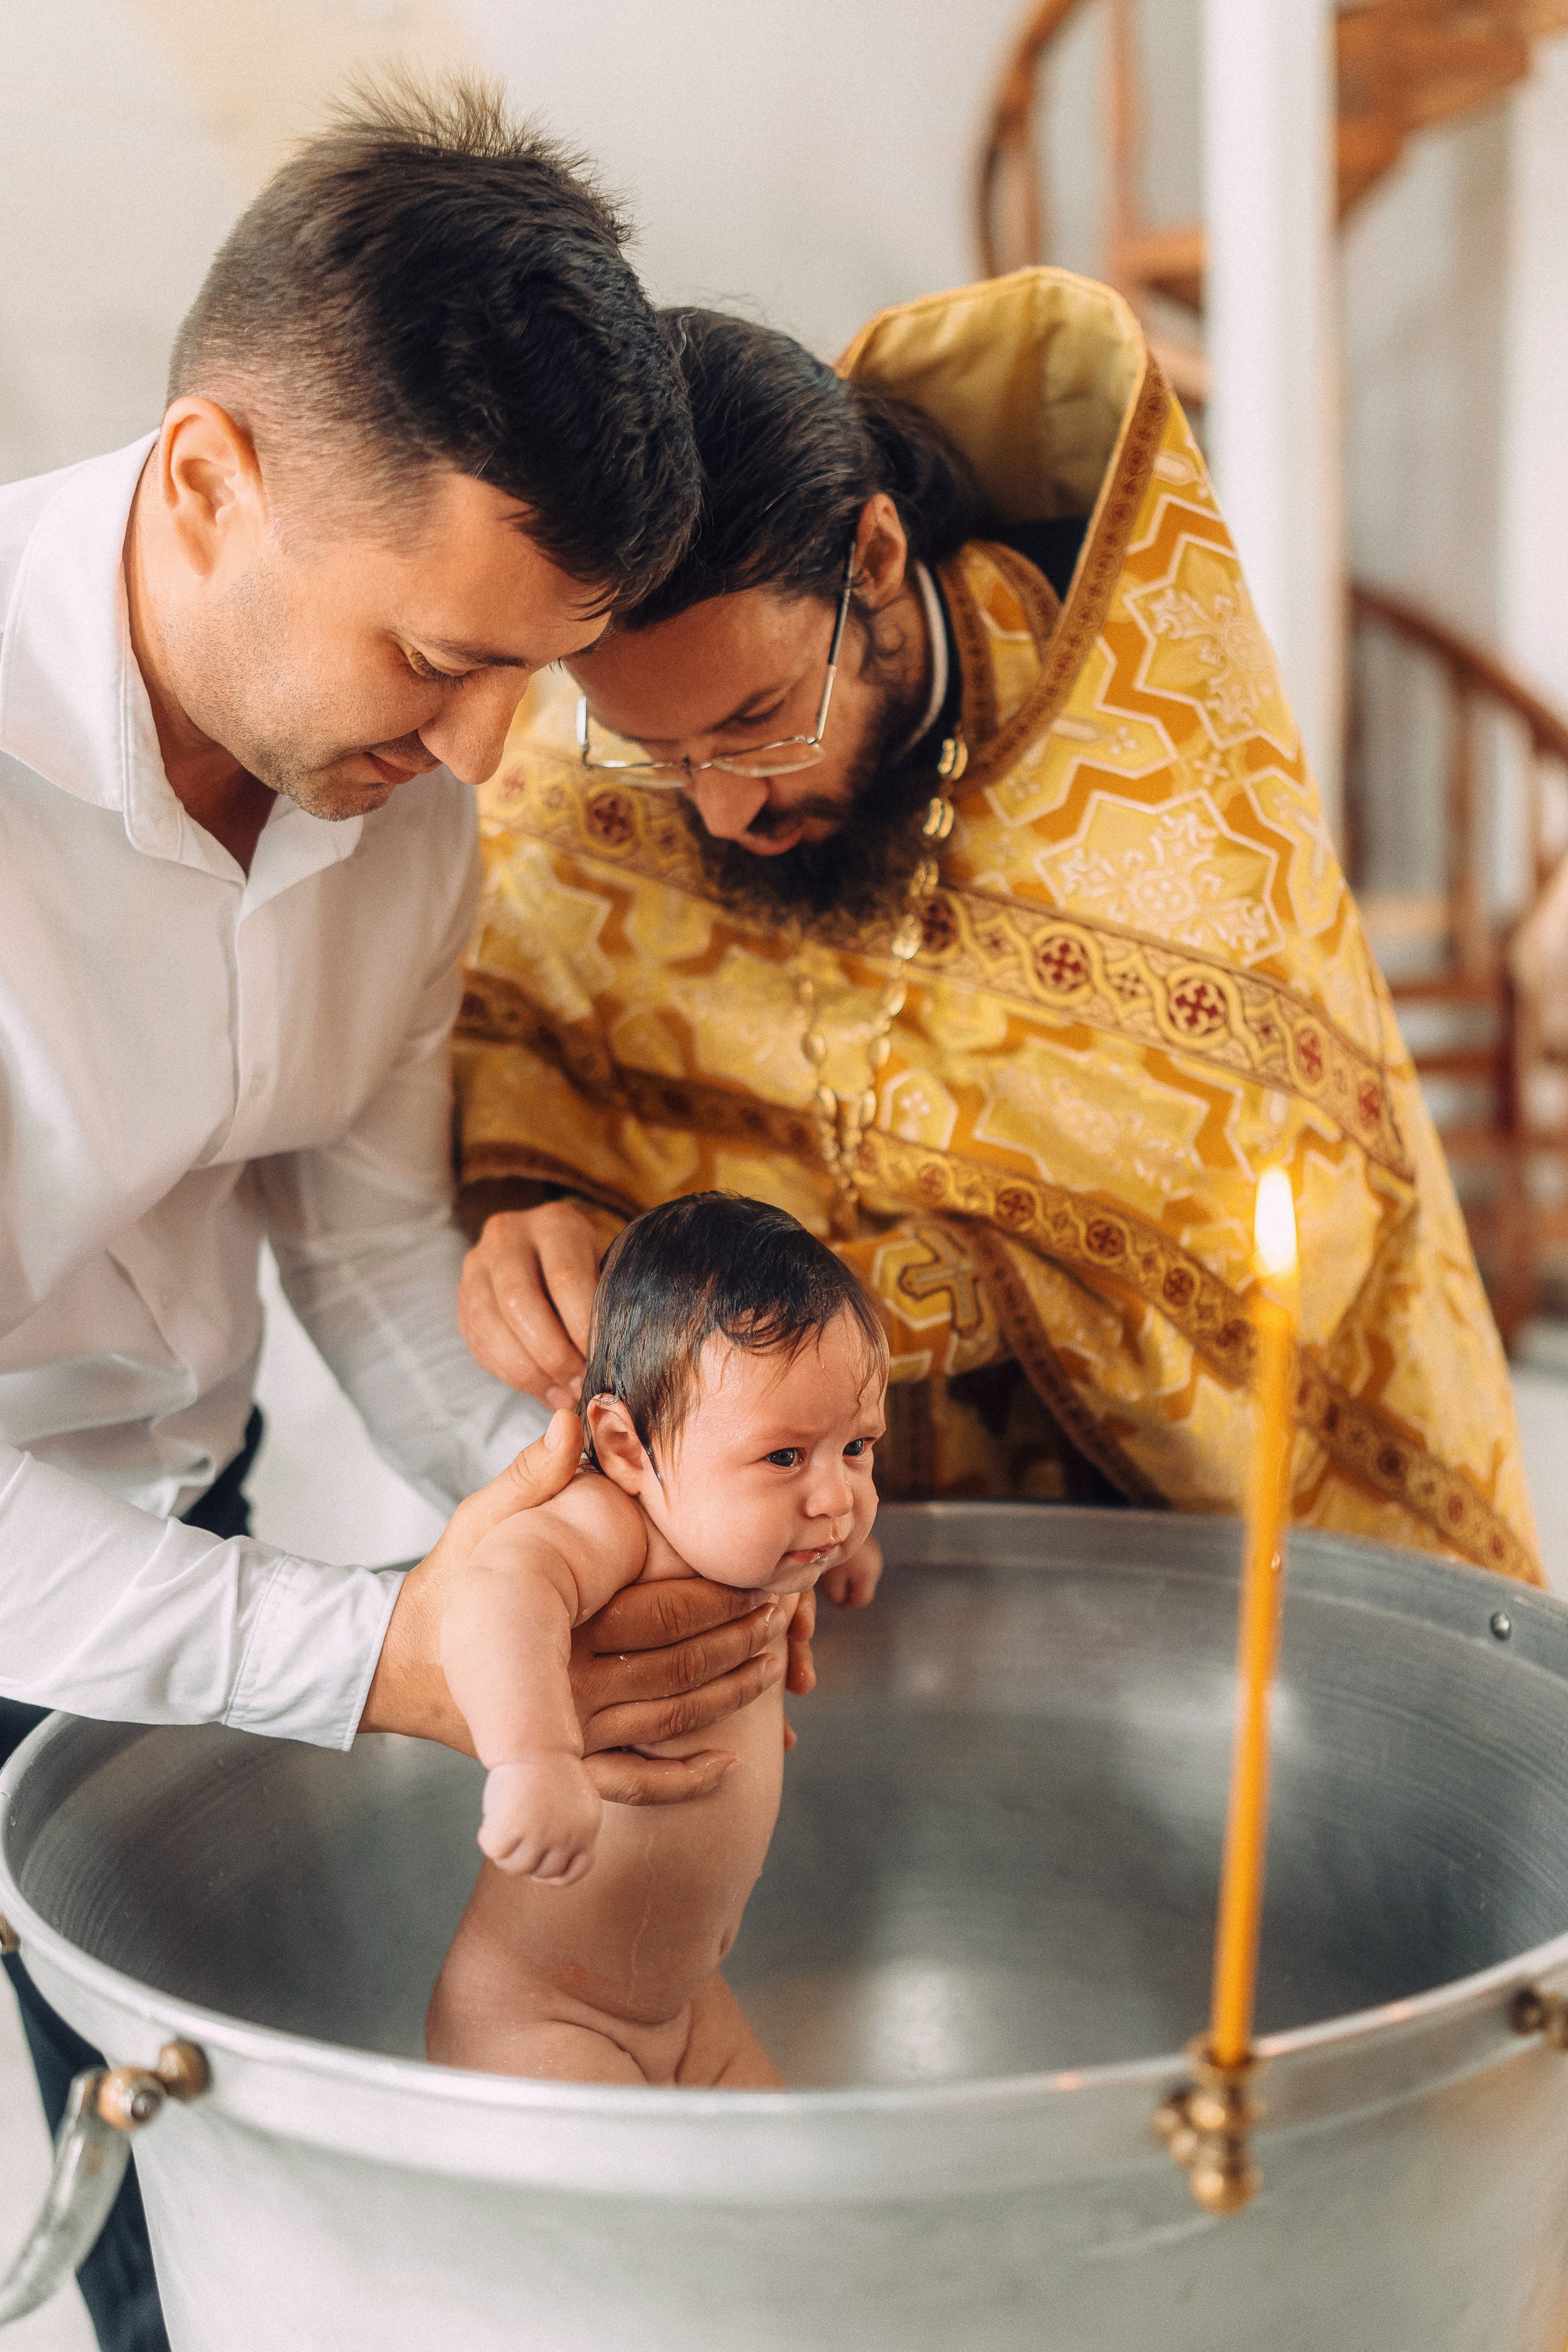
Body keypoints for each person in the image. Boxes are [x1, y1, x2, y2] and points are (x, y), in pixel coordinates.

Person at [0, 85, 797, 2352]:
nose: (483, 760)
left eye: (529, 673)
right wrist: (376, 1659)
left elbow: (356, 1236)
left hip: (175, 1506)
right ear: (207, 481)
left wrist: (602, 1514)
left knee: (169, 2182)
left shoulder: (396, 793)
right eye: (439, 659)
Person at [454, 274, 1541, 1585]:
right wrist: (530, 1207)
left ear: (873, 559)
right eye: (657, 751)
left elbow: (1274, 1221)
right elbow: (530, 1018)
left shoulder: (1155, 794)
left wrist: (879, 1307)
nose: (722, 808)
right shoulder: (584, 758)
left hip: (1115, 1553)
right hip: (738, 1545)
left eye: (756, 722)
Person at [428, 1193, 884, 2086]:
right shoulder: (612, 1527)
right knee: (635, 2186)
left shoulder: (758, 1530)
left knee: (781, 2170)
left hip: (686, 2005)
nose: (836, 1497)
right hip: (544, 2016)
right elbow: (494, 1594)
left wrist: (842, 1551)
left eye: (859, 1447)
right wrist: (534, 1759)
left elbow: (821, 1495)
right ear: (628, 1448)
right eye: (785, 1458)